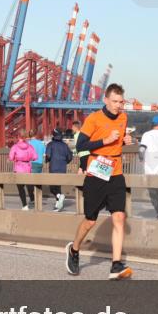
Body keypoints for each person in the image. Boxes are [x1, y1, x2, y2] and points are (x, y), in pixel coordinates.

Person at [65, 84, 134, 280]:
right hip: (97, 173)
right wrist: (104, 141)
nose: (118, 106)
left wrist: (124, 141)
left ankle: (115, 265)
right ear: (105, 100)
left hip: (116, 172)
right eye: (114, 101)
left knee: (119, 217)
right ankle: (74, 250)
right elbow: (80, 146)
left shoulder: (123, 117)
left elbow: (116, 142)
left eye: (121, 102)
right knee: (90, 220)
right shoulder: (93, 119)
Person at [44, 128, 72, 211]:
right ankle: (58, 205)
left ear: (54, 135)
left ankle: (59, 196)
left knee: (52, 187)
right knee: (58, 186)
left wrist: (47, 160)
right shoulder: (65, 145)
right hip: (62, 168)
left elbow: (48, 156)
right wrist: (65, 162)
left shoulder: (50, 144)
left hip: (53, 168)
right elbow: (70, 157)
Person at [9, 130, 38, 210]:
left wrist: (16, 158)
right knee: (29, 185)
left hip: (18, 168)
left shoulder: (15, 147)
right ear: (25, 137)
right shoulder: (30, 147)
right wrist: (29, 158)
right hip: (27, 167)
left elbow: (11, 158)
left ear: (18, 137)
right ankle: (32, 199)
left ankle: (24, 205)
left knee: (21, 188)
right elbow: (35, 157)